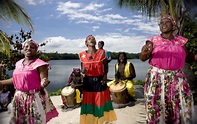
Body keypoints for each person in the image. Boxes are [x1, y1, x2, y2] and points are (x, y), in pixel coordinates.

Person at [139, 14, 196, 123]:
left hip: (177, 79)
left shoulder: (181, 41)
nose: (163, 24)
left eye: (167, 22)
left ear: (173, 25)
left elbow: (188, 57)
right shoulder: (153, 40)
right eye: (161, 22)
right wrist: (144, 53)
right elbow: (143, 58)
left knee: (179, 108)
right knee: (156, 108)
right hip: (157, 79)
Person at [0, 39, 58, 123]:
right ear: (23, 48)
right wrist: (1, 82)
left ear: (36, 50)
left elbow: (43, 80)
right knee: (18, 121)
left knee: (34, 121)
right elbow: (16, 79)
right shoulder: (18, 63)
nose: (29, 48)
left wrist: (43, 82)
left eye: (32, 47)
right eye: (26, 46)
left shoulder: (40, 64)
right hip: (18, 97)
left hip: (33, 98)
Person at [79, 35, 117, 124]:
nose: (92, 39)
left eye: (93, 39)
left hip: (99, 81)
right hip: (88, 82)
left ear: (95, 42)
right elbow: (82, 70)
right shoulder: (82, 55)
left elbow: (106, 66)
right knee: (89, 103)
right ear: (86, 43)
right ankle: (90, 121)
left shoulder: (102, 53)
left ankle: (100, 121)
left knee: (99, 103)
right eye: (89, 39)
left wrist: (104, 77)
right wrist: (83, 71)